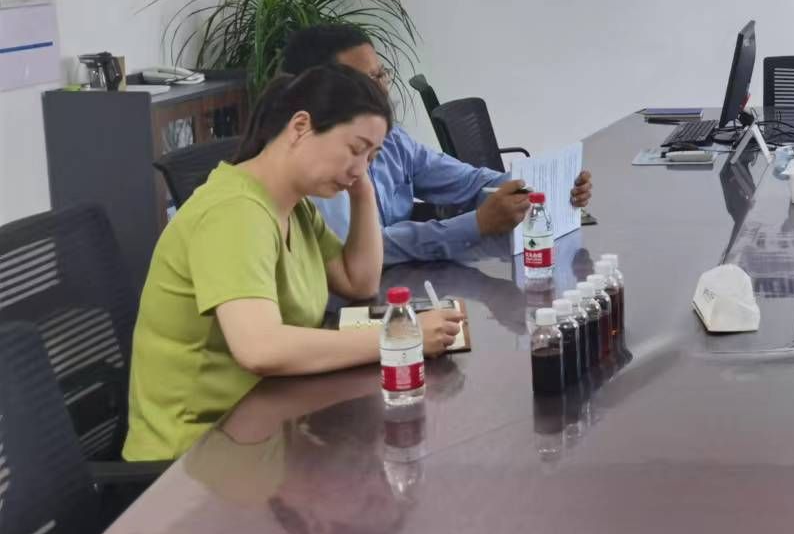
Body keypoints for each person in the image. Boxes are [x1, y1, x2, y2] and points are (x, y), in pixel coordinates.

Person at [125, 65, 466, 462]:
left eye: (371, 157)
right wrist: (400, 338)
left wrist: (362, 191)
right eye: (355, 149)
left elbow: (358, 281)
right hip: (195, 457)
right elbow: (260, 348)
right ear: (301, 126)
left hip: (266, 424)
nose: (360, 167)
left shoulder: (294, 206)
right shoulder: (235, 213)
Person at [279, 24, 592, 264]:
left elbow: (469, 182)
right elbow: (363, 250)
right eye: (368, 80)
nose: (383, 90)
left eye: (382, 75)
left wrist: (543, 188)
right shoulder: (313, 168)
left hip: (401, 285)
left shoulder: (394, 139)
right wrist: (475, 224)